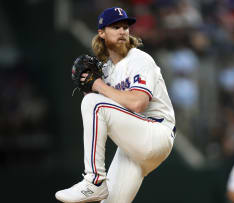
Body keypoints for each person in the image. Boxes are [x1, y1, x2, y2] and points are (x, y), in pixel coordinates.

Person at [55, 7, 176, 203]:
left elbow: (138, 103)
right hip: (133, 147)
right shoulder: (107, 71)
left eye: (125, 27)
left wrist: (98, 87)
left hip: (156, 133)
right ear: (101, 33)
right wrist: (91, 87)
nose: (122, 31)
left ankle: (94, 181)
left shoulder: (139, 59)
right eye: (115, 27)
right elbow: (106, 113)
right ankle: (97, 186)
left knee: (93, 103)